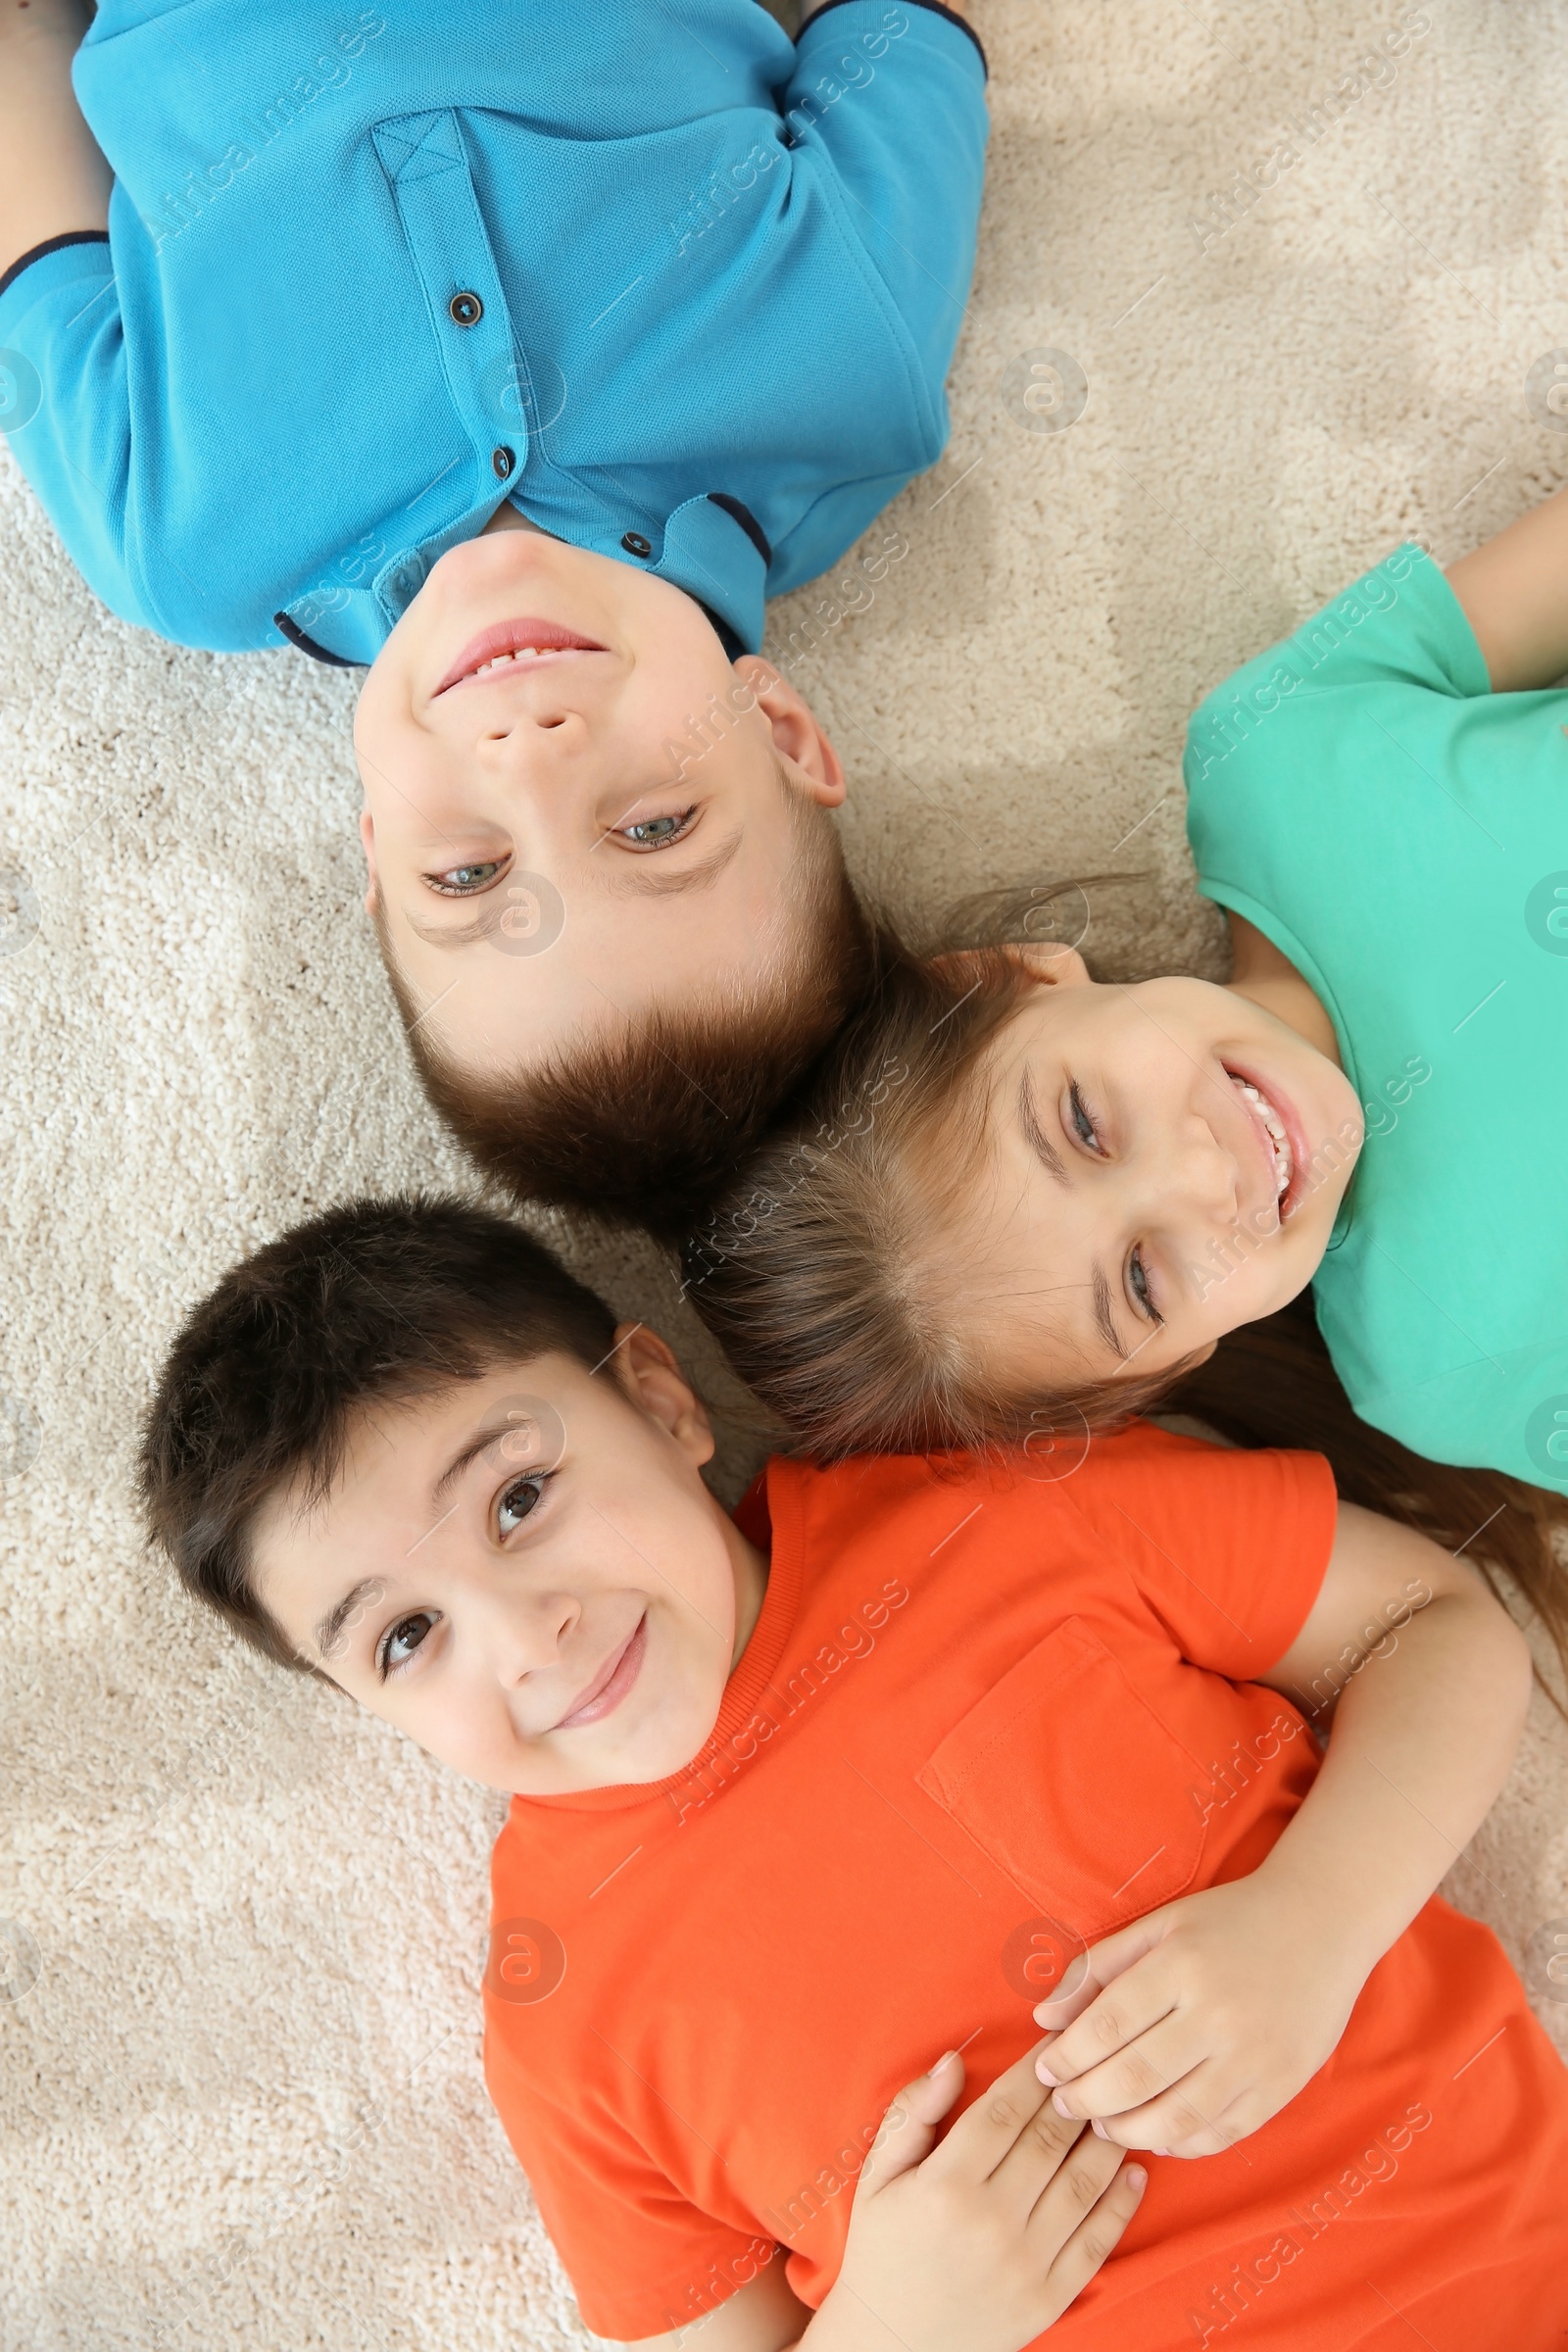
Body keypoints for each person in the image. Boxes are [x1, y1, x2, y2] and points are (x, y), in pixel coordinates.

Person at [138, 1196, 1568, 2349]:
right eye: (405, 1638)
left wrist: (1311, 1925)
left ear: (661, 1400)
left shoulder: (1009, 1521)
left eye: (520, 1497)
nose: (524, 1639)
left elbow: (1429, 1625)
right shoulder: (561, 2030)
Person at [0, 0, 986, 1232]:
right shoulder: (848, 378)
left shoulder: (181, 548)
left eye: (466, 873)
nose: (531, 762)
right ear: (782, 731)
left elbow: (26, 136)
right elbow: (903, 44)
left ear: (375, 852)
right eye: (655, 824)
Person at [684, 499, 1568, 1499]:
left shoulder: (1276, 760)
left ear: (1011, 976)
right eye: (1142, 1285)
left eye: (1085, 1124)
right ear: (1174, 1364)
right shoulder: (1437, 1366)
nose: (1200, 1177)